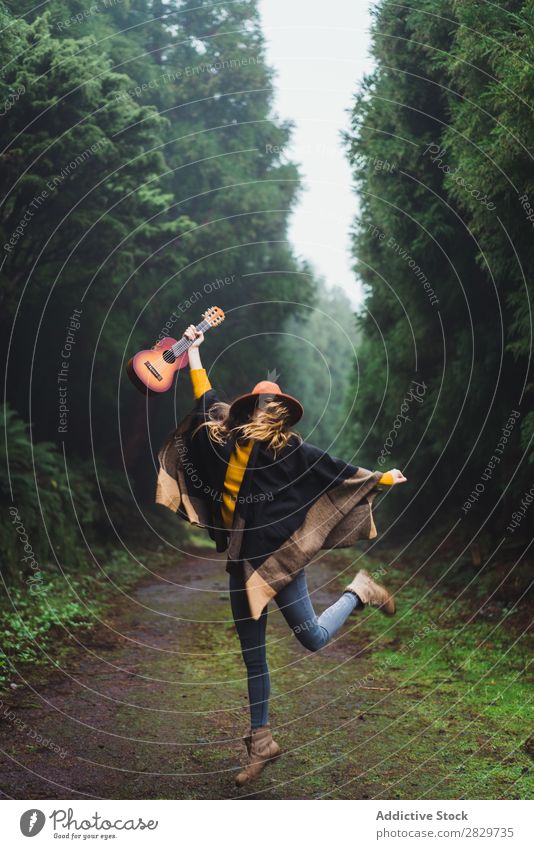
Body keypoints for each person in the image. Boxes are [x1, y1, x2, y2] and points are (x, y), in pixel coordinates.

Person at [156, 325, 407, 787]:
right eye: (260, 405)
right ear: (249, 409)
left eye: (275, 407)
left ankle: (358, 590)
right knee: (254, 658)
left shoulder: (291, 450)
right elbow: (205, 395)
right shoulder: (223, 437)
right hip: (240, 560)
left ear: (281, 416)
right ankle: (261, 742)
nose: (267, 412)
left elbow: (337, 473)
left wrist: (382, 479)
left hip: (282, 559)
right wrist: (194, 351)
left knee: (311, 638)